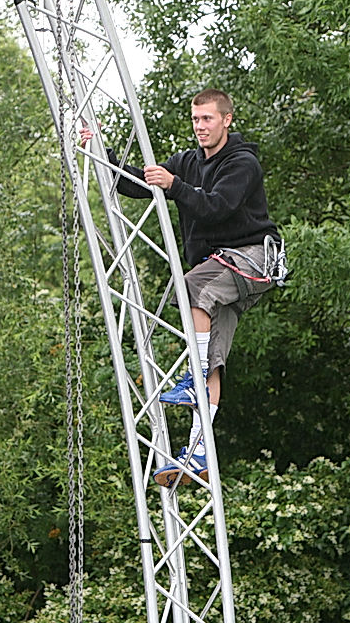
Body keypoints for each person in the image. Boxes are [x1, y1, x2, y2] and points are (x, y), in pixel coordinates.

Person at [89, 89, 284, 488]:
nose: (200, 127)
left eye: (207, 120)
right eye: (196, 120)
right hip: (222, 269)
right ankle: (198, 453)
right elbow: (137, 184)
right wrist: (101, 152)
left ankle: (193, 381)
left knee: (191, 286)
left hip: (252, 256)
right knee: (213, 354)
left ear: (226, 120)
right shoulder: (187, 162)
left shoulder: (242, 163)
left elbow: (217, 207)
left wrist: (175, 186)